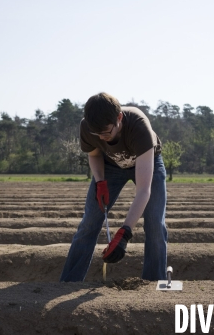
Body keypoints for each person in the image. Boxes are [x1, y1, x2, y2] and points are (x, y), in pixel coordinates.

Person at [60, 92, 167, 282]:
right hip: (110, 166)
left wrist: (124, 233)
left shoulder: (139, 126)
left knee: (155, 223)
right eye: (97, 134)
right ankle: (69, 281)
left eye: (106, 132)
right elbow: (94, 155)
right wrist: (100, 181)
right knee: (90, 221)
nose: (102, 137)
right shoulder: (87, 127)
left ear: (119, 118)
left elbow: (144, 191)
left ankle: (154, 281)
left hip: (145, 163)